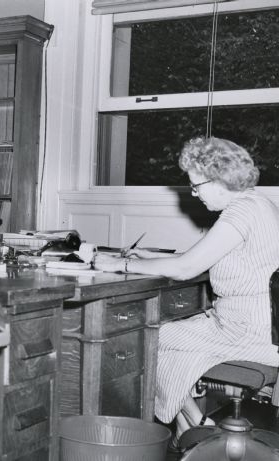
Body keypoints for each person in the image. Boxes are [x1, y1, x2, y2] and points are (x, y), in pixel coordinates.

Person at [93, 136, 279, 445]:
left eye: (196, 185)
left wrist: (118, 265)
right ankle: (192, 427)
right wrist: (150, 258)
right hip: (258, 326)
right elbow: (199, 257)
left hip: (245, 330)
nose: (193, 194)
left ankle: (198, 425)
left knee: (146, 338)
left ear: (219, 179)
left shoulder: (240, 212)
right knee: (166, 344)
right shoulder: (260, 204)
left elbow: (186, 269)